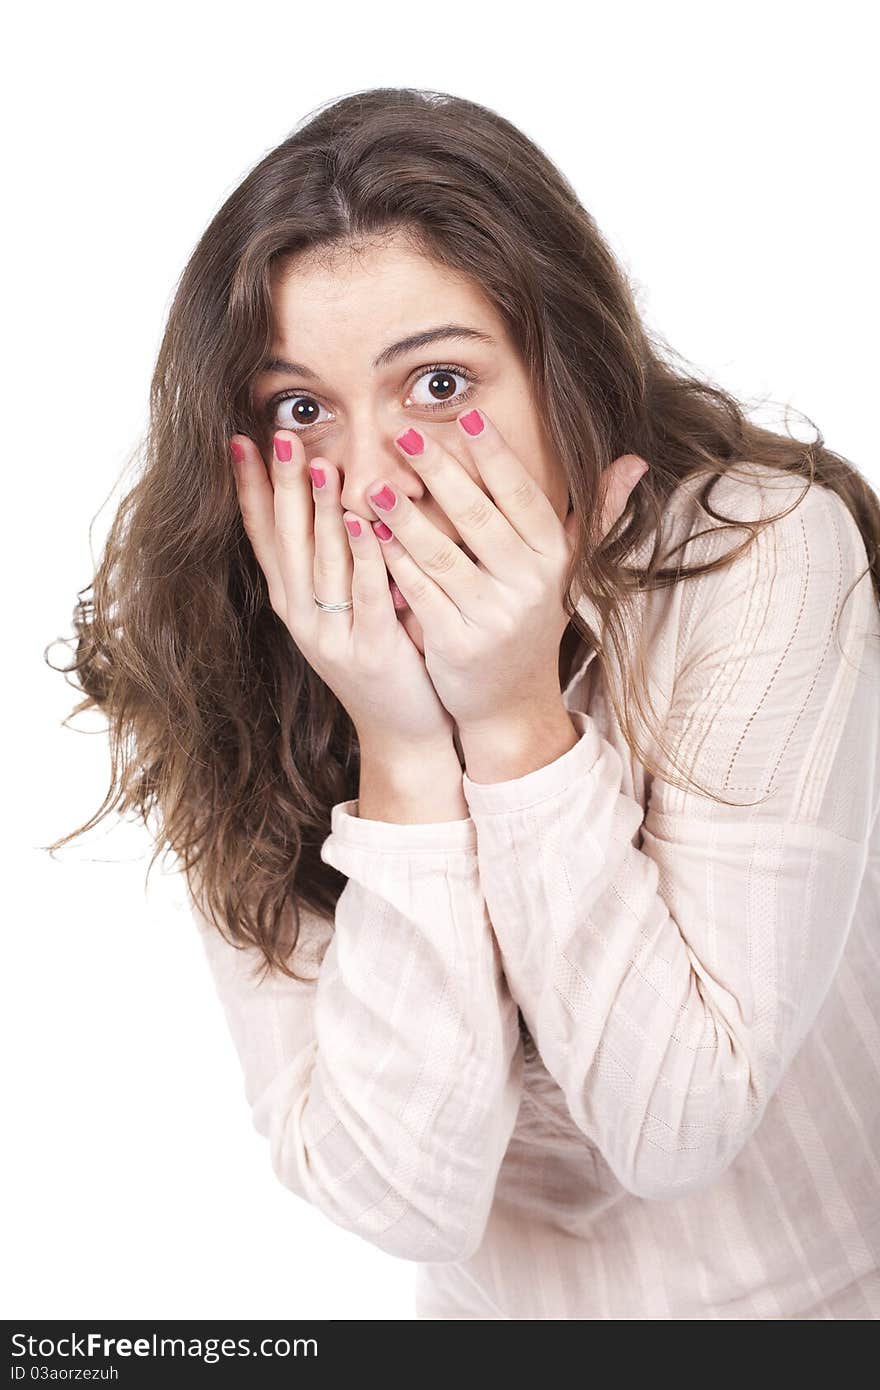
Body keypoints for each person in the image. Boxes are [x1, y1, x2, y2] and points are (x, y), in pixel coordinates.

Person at [47, 87, 880, 1320]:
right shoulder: (231, 632)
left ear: (563, 369)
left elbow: (677, 1127)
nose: (369, 477)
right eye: (300, 409)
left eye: (438, 384)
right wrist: (401, 748)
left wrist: (509, 723)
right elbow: (402, 1202)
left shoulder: (760, 551)